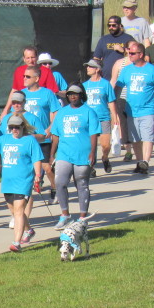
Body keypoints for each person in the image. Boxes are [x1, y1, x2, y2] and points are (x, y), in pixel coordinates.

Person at [0, 114, 43, 252]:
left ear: (22, 127)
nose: (14, 130)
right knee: (14, 211)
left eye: (17, 127)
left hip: (24, 181)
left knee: (19, 210)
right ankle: (29, 230)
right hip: (8, 182)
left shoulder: (29, 141)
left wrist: (38, 175)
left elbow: (37, 159)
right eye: (11, 127)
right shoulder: (4, 139)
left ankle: (16, 243)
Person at [50, 85, 101, 230]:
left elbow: (93, 134)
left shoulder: (89, 112)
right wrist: (52, 154)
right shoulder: (61, 113)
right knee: (60, 182)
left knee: (82, 184)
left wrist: (93, 152)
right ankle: (65, 215)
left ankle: (83, 217)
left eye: (76, 94)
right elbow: (56, 135)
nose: (73, 97)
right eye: (70, 94)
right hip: (64, 153)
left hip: (82, 153)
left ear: (81, 95)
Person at [115, 42, 154, 174]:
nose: (130, 55)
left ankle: (146, 162)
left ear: (141, 54)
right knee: (135, 139)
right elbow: (118, 87)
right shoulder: (126, 70)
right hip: (131, 110)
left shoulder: (152, 70)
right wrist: (113, 104)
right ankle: (140, 163)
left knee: (147, 137)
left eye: (132, 53)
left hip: (148, 109)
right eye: (128, 52)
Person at [0, 91, 48, 230]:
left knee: (26, 189)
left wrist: (28, 136)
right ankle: (17, 216)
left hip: (26, 158)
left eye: (19, 102)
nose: (16, 105)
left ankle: (24, 215)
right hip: (10, 160)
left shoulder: (32, 118)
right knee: (10, 192)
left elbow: (43, 136)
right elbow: (0, 140)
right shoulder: (6, 119)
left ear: (24, 102)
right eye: (14, 102)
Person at [20, 66, 63, 203]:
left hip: (43, 138)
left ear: (37, 78)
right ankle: (24, 196)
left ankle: (55, 187)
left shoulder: (47, 94)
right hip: (26, 139)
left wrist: (50, 128)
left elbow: (56, 112)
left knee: (47, 167)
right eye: (24, 76)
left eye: (28, 76)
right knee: (27, 168)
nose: (24, 79)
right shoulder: (21, 94)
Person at [82, 59, 118, 173]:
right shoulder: (84, 85)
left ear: (97, 69)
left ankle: (105, 158)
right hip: (89, 119)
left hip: (103, 118)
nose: (88, 68)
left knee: (105, 145)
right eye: (87, 66)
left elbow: (111, 101)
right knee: (90, 145)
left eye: (91, 66)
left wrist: (115, 117)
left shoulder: (105, 84)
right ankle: (91, 166)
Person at [2, 47, 60, 113]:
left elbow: (52, 94)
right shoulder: (18, 71)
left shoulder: (46, 71)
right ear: (24, 59)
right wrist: (5, 110)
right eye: (28, 58)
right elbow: (14, 90)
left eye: (33, 57)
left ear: (37, 58)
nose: (30, 60)